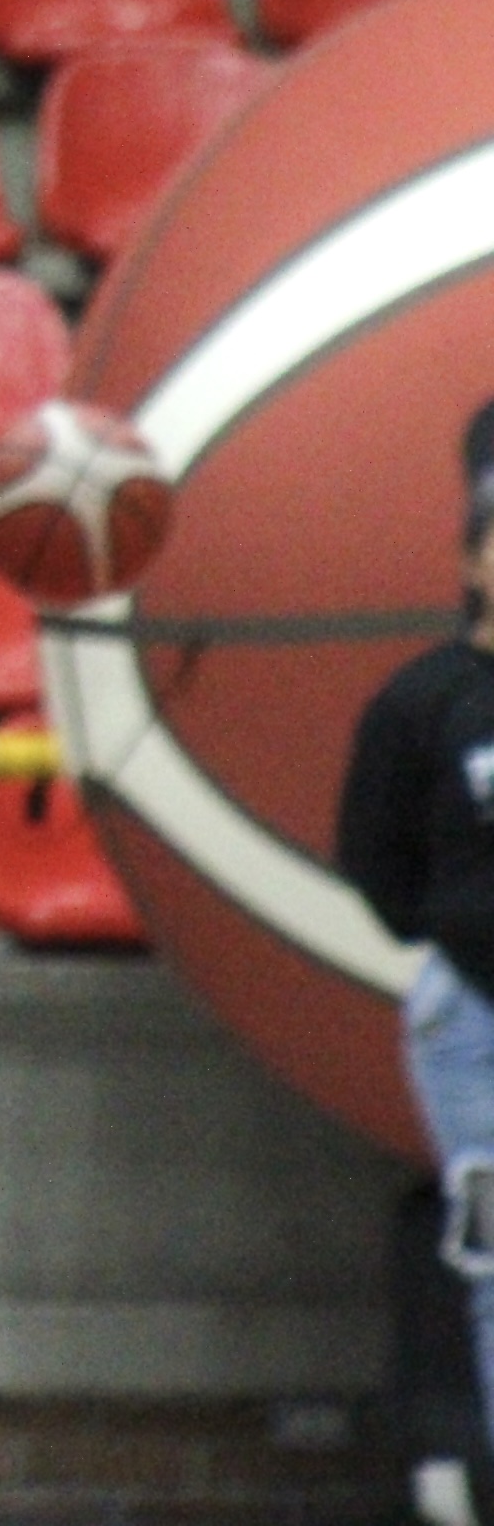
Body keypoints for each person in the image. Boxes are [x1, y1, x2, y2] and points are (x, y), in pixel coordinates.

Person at [338, 398, 494, 1522]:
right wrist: (444, 928)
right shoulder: (423, 698)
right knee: (491, 1244)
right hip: (471, 1016)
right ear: (475, 557)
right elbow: (373, 853)